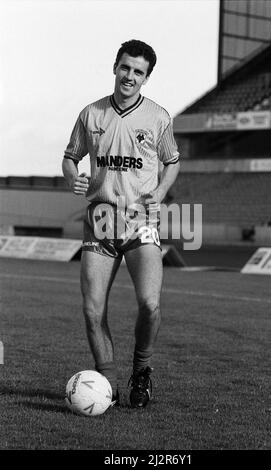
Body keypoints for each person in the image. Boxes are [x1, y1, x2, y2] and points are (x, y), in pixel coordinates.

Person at [62, 39, 180, 408]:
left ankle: (142, 372)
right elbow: (70, 157)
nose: (130, 76)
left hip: (140, 220)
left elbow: (172, 161)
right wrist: (72, 177)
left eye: (139, 72)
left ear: (146, 78)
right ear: (115, 67)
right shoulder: (91, 114)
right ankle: (106, 384)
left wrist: (160, 191)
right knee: (92, 309)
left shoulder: (159, 118)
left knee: (150, 304)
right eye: (125, 68)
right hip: (100, 219)